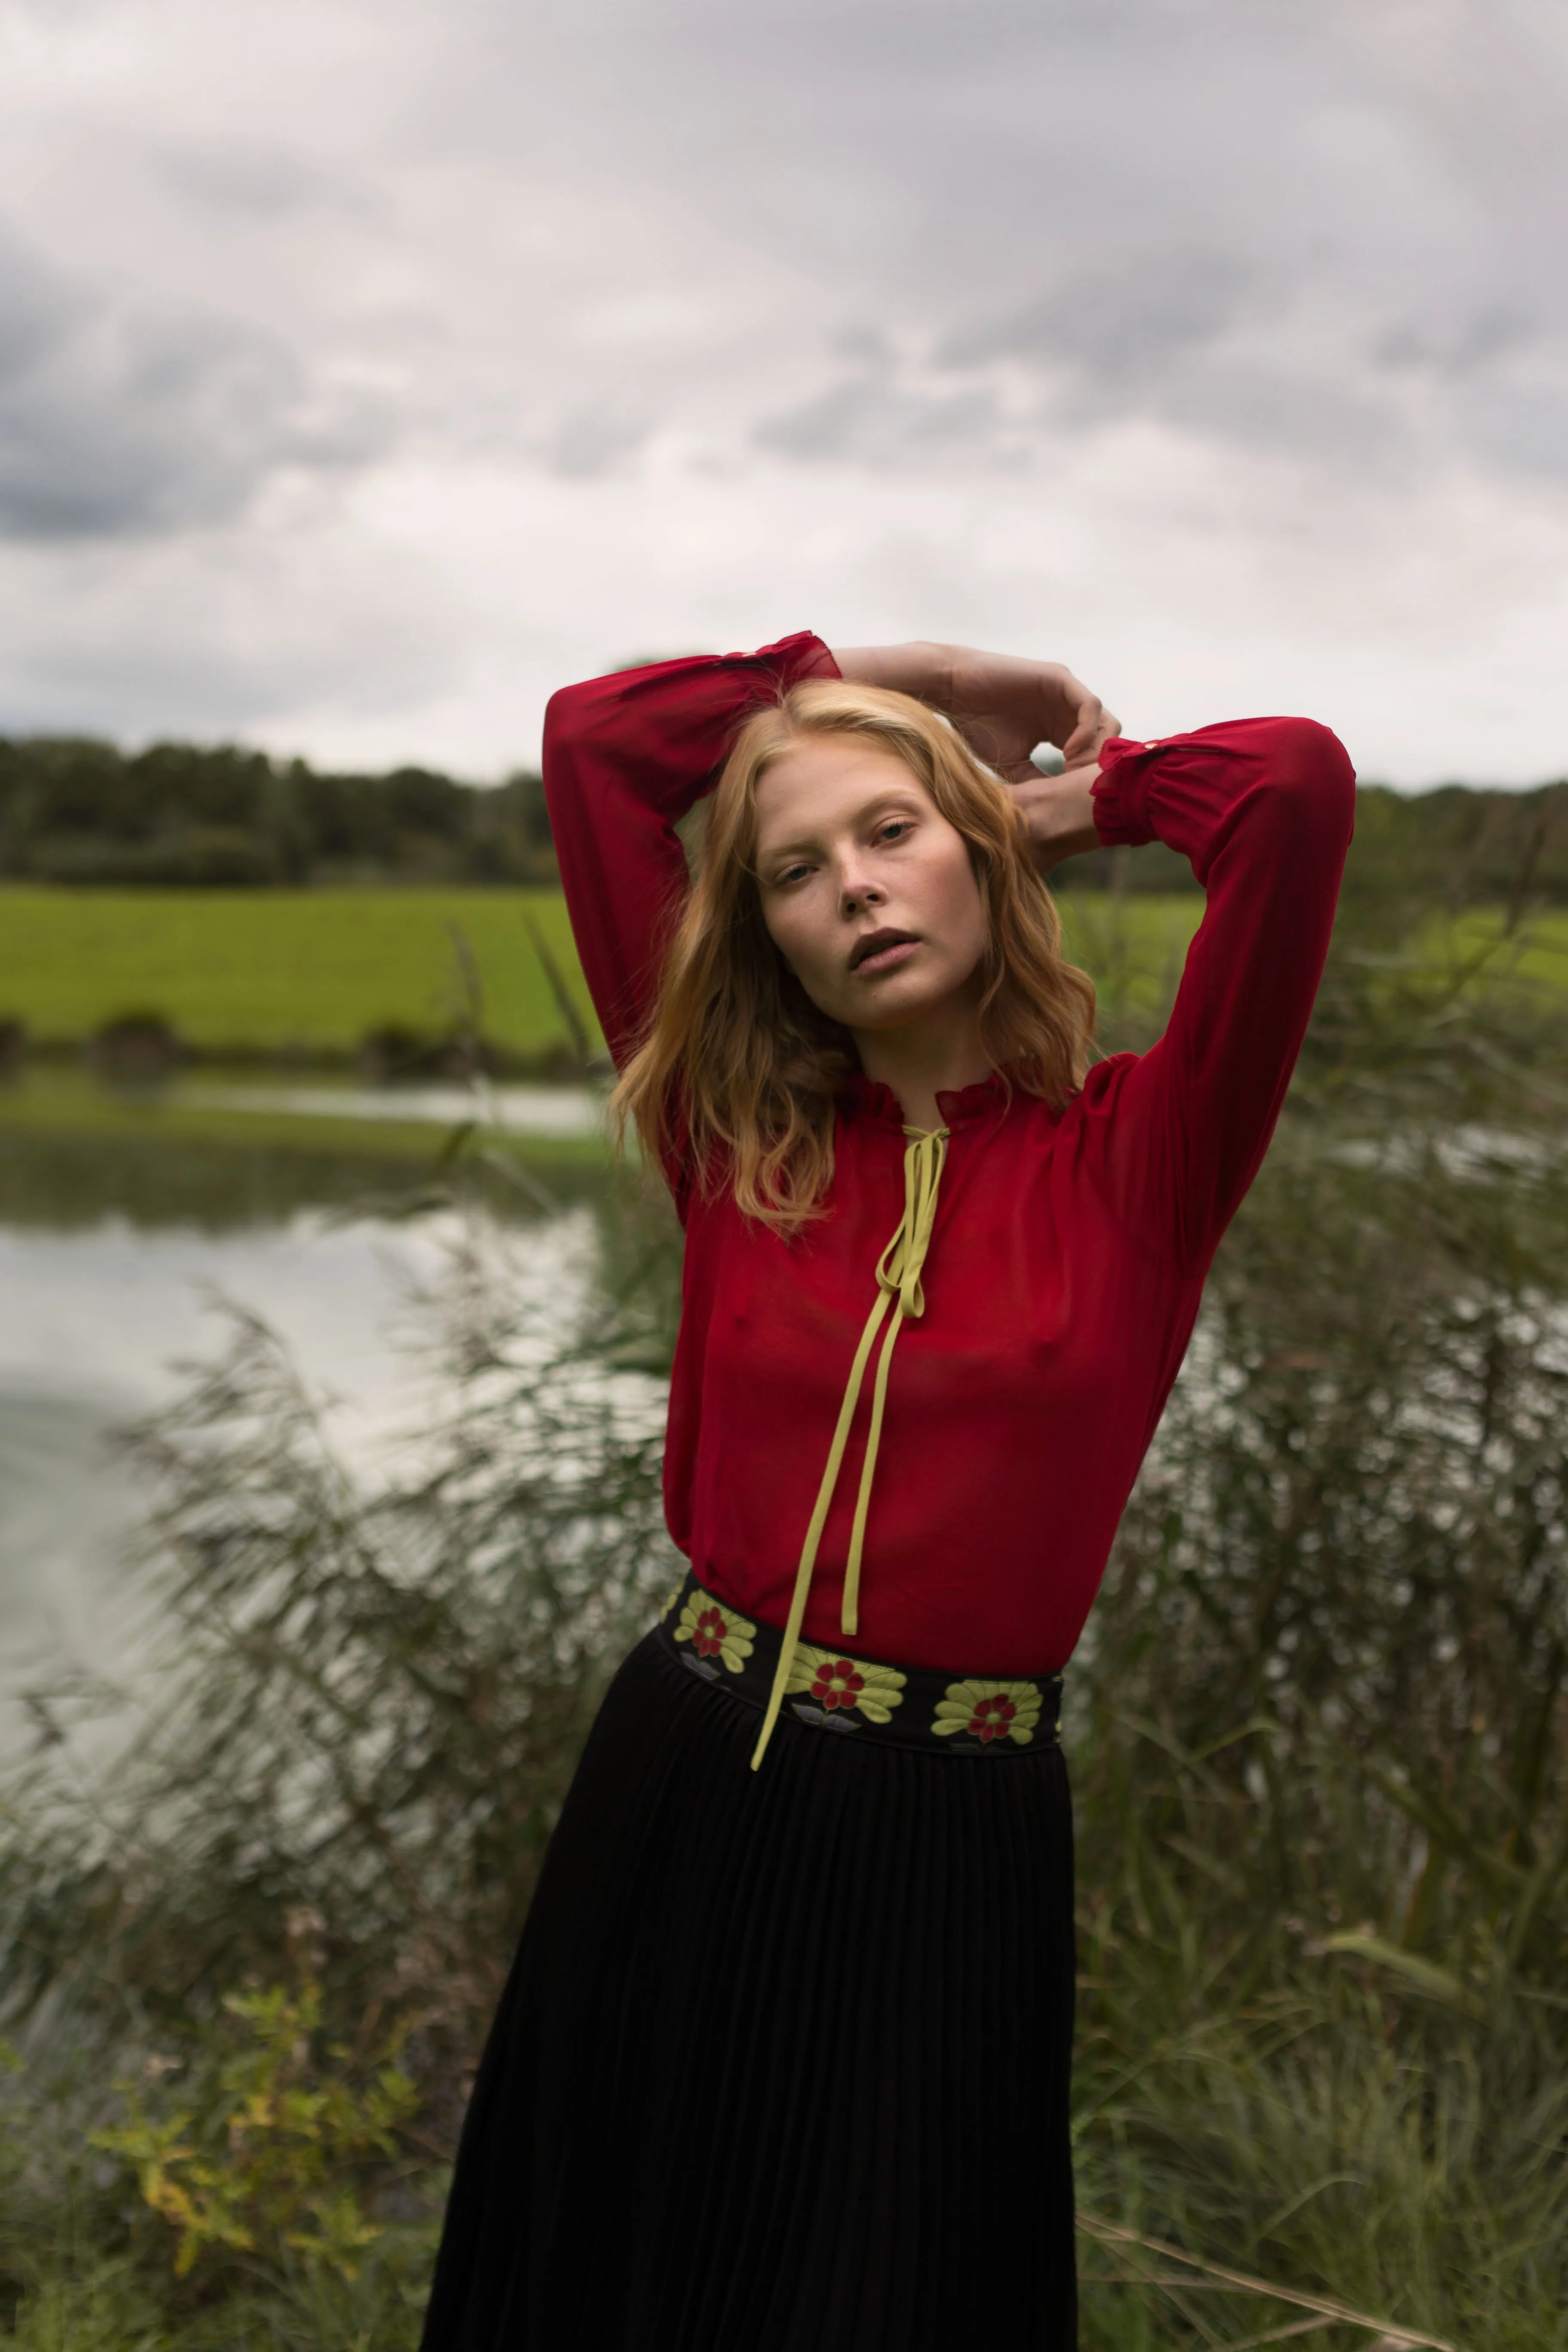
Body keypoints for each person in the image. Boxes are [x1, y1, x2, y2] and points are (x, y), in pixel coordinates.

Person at [417, 633, 1356, 2352]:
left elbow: (1290, 790)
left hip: (949, 1838)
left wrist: (1067, 803)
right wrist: (872, 672)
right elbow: (596, 742)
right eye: (795, 869)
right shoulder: (737, 1134)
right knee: (605, 2286)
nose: (853, 888)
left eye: (894, 835)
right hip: (679, 1777)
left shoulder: (1143, 1159)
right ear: (761, 932)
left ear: (985, 856)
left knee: (885, 2292)